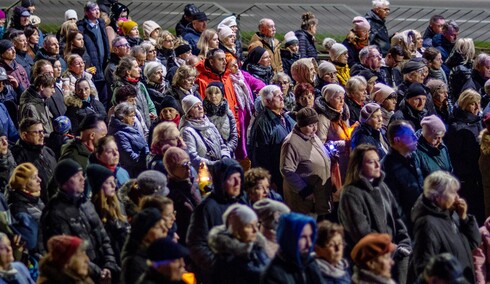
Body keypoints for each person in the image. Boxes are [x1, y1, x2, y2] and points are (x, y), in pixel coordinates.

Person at [339, 143, 411, 283]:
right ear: (358, 166)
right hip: (373, 263)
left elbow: (397, 218)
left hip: (393, 256)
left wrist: (404, 242)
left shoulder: (382, 186)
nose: (378, 165)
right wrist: (391, 248)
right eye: (372, 162)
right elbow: (361, 233)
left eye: (378, 160)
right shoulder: (350, 194)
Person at [39, 159, 119, 283]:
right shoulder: (55, 212)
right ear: (64, 183)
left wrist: (110, 264)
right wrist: (99, 273)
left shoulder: (86, 204)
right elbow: (69, 253)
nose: (83, 179)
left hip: (103, 272)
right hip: (80, 276)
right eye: (76, 176)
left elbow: (104, 238)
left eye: (82, 175)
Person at [411, 171, 481, 283]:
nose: (457, 197)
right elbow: (424, 269)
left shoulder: (452, 215)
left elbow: (474, 243)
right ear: (437, 196)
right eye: (452, 193)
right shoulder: (427, 224)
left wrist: (465, 219)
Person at [280, 107, 332, 218]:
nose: (314, 129)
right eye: (310, 126)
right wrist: (305, 191)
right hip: (304, 200)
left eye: (316, 124)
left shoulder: (312, 136)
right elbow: (287, 170)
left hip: (318, 195)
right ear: (301, 125)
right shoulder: (291, 143)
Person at [445, 89, 484, 223]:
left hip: (479, 173)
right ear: (464, 104)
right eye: (473, 104)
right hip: (467, 178)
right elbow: (455, 156)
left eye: (478, 103)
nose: (477, 107)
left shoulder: (479, 121)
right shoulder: (457, 127)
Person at [248, 85, 295, 192]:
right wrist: (269, 180)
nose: (282, 98)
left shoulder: (285, 115)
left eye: (282, 95)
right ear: (268, 101)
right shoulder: (262, 123)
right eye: (278, 96)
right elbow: (260, 155)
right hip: (276, 175)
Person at [208, 204, 270, 284]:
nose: (255, 230)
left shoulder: (257, 248)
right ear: (236, 230)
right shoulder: (226, 261)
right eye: (249, 226)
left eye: (256, 225)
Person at [381, 120, 424, 230]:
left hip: (422, 220)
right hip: (409, 228)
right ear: (397, 140)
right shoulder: (387, 168)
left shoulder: (414, 158)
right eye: (411, 135)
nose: (416, 138)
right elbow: (393, 205)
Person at [261, 212, 323, 283]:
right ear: (289, 238)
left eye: (310, 236)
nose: (309, 243)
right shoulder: (273, 275)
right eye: (303, 237)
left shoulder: (310, 263)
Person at [87, 163, 130, 265]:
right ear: (99, 185)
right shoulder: (92, 210)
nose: (114, 186)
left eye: (114, 181)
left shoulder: (118, 204)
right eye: (108, 183)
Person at [11, 118, 57, 202]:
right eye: (37, 132)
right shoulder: (18, 155)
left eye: (42, 131)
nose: (42, 135)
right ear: (25, 135)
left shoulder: (48, 151)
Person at [179, 95, 230, 169]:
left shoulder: (210, 125)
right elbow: (192, 157)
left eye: (201, 105)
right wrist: (214, 164)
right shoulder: (187, 131)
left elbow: (222, 145)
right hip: (204, 172)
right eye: (195, 107)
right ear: (188, 112)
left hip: (219, 169)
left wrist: (225, 158)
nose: (200, 108)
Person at [164, 146, 201, 245]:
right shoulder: (171, 195)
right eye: (184, 165)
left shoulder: (191, 184)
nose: (188, 168)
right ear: (172, 169)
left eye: (189, 163)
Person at [120, 207, 168, 284]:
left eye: (164, 225)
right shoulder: (134, 264)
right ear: (145, 232)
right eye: (159, 227)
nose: (165, 230)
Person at [76, 1, 110, 107]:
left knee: (105, 98)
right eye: (94, 10)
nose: (97, 12)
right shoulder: (82, 27)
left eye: (98, 9)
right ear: (86, 12)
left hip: (103, 66)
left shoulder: (101, 24)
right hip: (92, 68)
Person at [7, 163, 44, 253]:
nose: (40, 180)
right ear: (24, 184)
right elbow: (29, 241)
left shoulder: (36, 199)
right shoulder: (18, 208)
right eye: (34, 178)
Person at [108, 102, 149, 177]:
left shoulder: (133, 127)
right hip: (132, 173)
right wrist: (146, 159)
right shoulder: (119, 134)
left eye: (134, 115)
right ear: (122, 118)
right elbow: (129, 158)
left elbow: (144, 144)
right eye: (131, 116)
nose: (134, 118)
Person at [203, 82, 238, 155]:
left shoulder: (228, 112)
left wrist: (227, 150)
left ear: (222, 95)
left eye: (216, 93)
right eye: (210, 93)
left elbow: (234, 134)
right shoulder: (203, 113)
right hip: (211, 153)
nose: (213, 96)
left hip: (228, 151)